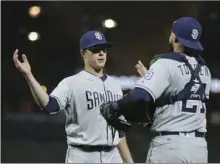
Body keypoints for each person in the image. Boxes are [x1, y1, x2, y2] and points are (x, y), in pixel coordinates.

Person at [100, 17, 212, 163]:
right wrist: (151, 78)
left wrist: (114, 107)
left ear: (175, 37)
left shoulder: (165, 64)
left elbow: (139, 96)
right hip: (199, 149)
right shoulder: (205, 70)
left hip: (170, 146)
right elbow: (179, 95)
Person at [13, 30, 133, 163]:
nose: (101, 53)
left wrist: (129, 161)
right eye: (95, 49)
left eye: (104, 49)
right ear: (83, 53)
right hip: (82, 156)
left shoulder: (115, 85)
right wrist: (28, 75)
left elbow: (119, 130)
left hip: (112, 156)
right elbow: (49, 105)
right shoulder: (71, 83)